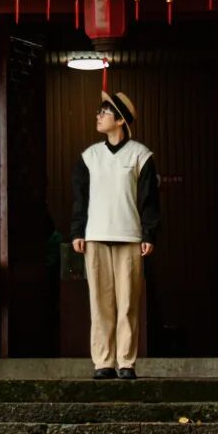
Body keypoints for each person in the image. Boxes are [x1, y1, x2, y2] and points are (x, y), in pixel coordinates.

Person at [70, 90, 159, 379]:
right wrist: (77, 231)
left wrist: (149, 234)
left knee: (128, 303)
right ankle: (103, 362)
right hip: (95, 236)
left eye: (104, 112)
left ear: (120, 120)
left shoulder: (141, 155)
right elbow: (80, 199)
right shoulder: (89, 156)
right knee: (100, 303)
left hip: (130, 237)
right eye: (99, 112)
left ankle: (126, 362)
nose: (98, 116)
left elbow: (149, 200)